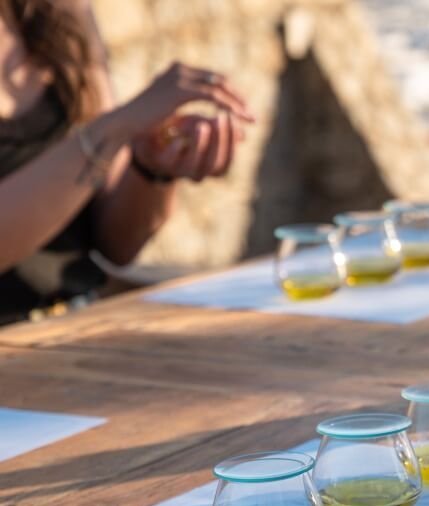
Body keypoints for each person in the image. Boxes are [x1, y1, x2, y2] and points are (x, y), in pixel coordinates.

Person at [0, 0, 253, 325]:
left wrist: (152, 169)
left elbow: (118, 243)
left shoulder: (61, 10)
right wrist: (113, 129)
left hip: (75, 329)